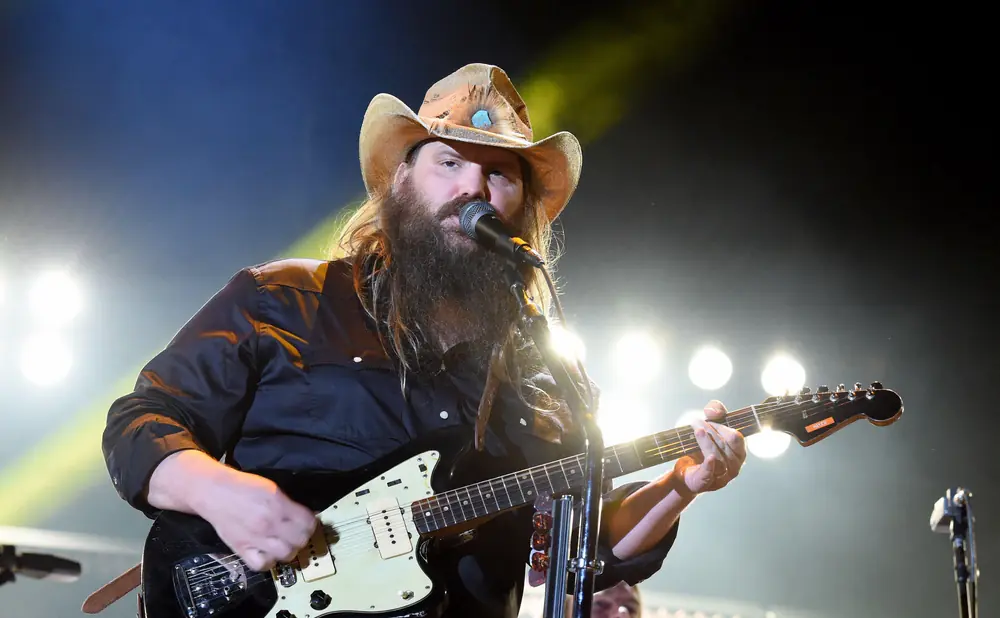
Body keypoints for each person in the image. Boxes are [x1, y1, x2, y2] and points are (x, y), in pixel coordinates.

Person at [102, 63, 746, 618]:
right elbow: (142, 421)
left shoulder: (545, 376)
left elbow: (588, 549)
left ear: (521, 208)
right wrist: (220, 493)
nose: (472, 187)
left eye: (500, 174)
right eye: (449, 162)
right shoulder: (286, 301)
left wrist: (681, 484)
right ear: (401, 180)